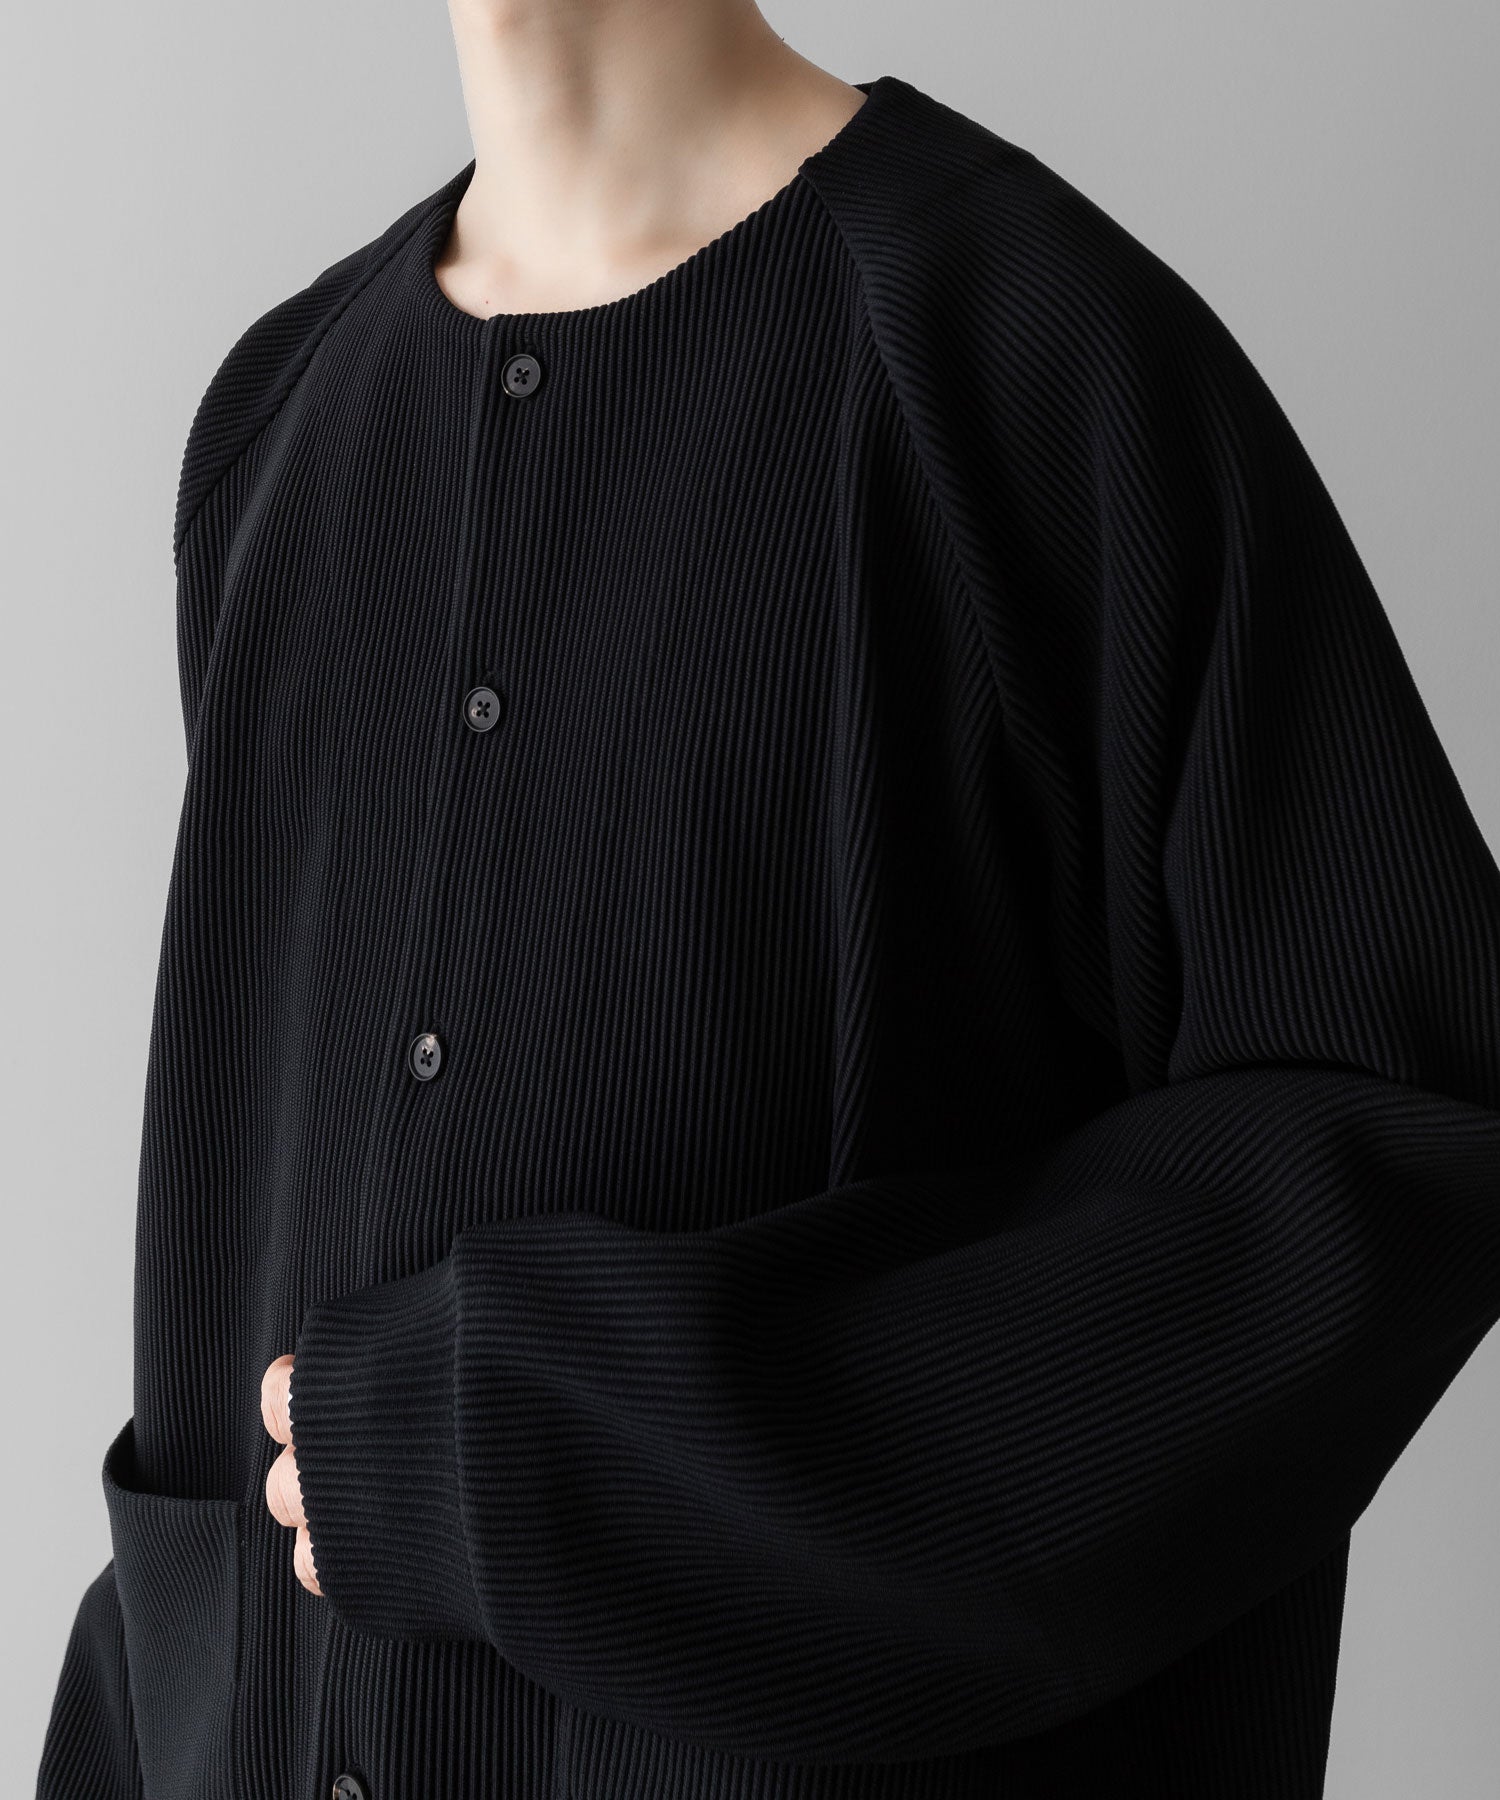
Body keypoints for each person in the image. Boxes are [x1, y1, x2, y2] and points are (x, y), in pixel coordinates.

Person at [36, 3, 1500, 1799]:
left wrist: (554, 1451)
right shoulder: (275, 429)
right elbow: (226, 1329)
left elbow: (1391, 1137)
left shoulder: (1027, 358)